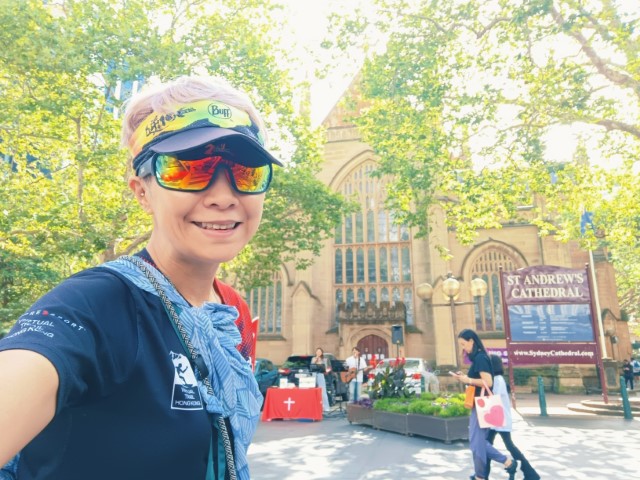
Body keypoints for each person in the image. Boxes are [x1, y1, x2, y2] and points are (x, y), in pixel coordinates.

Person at [0, 75, 282, 480]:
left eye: (247, 170)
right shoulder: (99, 302)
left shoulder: (232, 311)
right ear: (142, 191)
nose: (224, 195)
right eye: (188, 170)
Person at [450, 329, 517, 480]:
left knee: (476, 443)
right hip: (479, 404)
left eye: (463, 344)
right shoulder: (478, 358)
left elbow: (488, 382)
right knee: (477, 443)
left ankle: (489, 471)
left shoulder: (480, 358)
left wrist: (468, 380)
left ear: (471, 341)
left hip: (482, 405)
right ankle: (502, 465)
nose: (463, 347)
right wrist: (465, 377)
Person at [486, 355, 540, 480]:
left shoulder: (497, 380)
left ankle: (531, 473)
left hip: (499, 419)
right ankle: (482, 475)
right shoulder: (496, 379)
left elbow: (494, 397)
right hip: (495, 419)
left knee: (504, 446)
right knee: (488, 446)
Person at [312, 347, 331, 412]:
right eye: (317, 351)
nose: (318, 353)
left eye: (320, 352)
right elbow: (312, 365)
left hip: (321, 375)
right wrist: (316, 359)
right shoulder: (313, 358)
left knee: (323, 391)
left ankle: (326, 407)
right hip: (314, 375)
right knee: (314, 391)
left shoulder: (324, 359)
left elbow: (326, 368)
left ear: (322, 353)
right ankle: (315, 406)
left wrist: (326, 370)